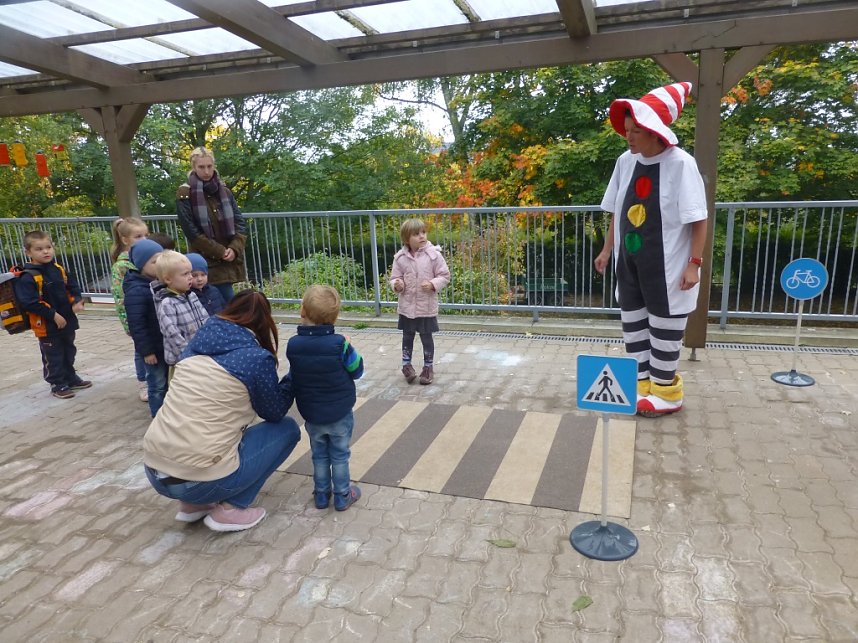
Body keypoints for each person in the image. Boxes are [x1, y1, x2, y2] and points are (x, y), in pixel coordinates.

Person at [594, 82, 708, 417]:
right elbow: (617, 210)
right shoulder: (625, 162)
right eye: (627, 130)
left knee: (664, 328)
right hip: (628, 263)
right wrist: (606, 250)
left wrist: (694, 264)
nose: (628, 137)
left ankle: (666, 391)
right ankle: (640, 385)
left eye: (635, 131)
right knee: (634, 324)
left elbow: (698, 219)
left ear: (654, 132)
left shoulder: (681, 164)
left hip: (668, 265)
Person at [143, 290, 300, 532]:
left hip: (155, 471)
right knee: (287, 429)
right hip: (200, 477)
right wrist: (293, 376)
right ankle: (231, 509)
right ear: (262, 323)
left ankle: (193, 506)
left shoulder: (196, 344)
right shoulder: (255, 358)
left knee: (214, 429)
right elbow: (274, 412)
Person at [284, 285, 364, 511]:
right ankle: (342, 495)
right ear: (335, 317)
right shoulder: (340, 344)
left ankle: (321, 494)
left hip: (312, 412)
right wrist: (348, 345)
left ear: (302, 311)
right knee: (339, 454)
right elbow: (357, 371)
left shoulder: (293, 344)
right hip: (339, 413)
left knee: (319, 455)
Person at [14, 230, 91, 399]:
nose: (45, 251)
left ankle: (70, 377)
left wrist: (77, 300)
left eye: (48, 247)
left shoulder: (58, 269)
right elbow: (29, 302)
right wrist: (53, 315)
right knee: (53, 354)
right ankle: (57, 383)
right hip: (47, 324)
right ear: (28, 252)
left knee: (69, 349)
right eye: (39, 249)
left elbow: (73, 286)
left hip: (67, 320)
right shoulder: (28, 276)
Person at [176, 146, 247, 302]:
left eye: (209, 166)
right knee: (226, 303)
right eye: (201, 167)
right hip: (206, 259)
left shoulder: (224, 190)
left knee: (224, 303)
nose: (207, 171)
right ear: (194, 167)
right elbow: (191, 231)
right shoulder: (185, 193)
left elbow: (239, 222)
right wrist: (220, 251)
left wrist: (234, 248)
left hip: (230, 256)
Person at [389, 218, 450, 385]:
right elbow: (394, 277)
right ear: (406, 238)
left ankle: (428, 367)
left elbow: (444, 276)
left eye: (423, 232)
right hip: (407, 306)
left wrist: (432, 284)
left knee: (426, 337)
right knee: (407, 336)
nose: (421, 236)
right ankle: (406, 365)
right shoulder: (400, 257)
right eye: (416, 234)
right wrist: (397, 285)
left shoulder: (433, 255)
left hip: (426, 306)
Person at [124, 238, 167, 417]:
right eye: (153, 261)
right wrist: (146, 352)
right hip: (153, 350)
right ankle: (158, 417)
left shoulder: (161, 284)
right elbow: (137, 326)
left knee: (169, 383)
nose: (159, 265)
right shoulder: (136, 290)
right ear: (141, 264)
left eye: (161, 260)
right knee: (157, 384)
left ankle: (171, 415)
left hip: (166, 345)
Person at [110, 216, 149, 402]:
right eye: (138, 236)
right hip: (135, 316)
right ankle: (143, 383)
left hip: (149, 312)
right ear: (126, 240)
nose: (144, 240)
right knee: (141, 350)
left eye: (146, 235)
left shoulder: (144, 259)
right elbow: (119, 297)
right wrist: (128, 322)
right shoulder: (122, 265)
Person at [152, 250, 209, 375]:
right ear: (168, 279)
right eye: (185, 274)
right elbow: (172, 333)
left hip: (199, 353)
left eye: (190, 273)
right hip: (181, 361)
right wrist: (187, 354)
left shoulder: (192, 295)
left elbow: (205, 319)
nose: (190, 277)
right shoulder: (167, 303)